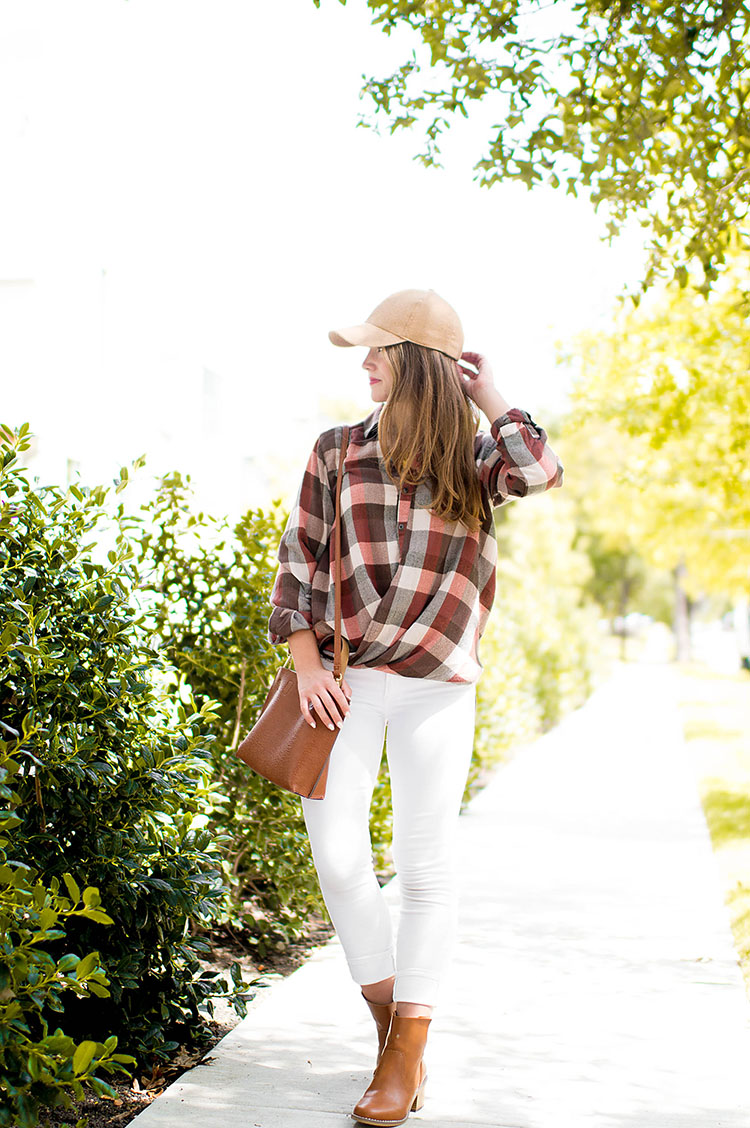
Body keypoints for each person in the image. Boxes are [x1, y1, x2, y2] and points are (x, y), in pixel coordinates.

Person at [267, 288, 564, 1125]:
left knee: (427, 868)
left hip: (437, 687)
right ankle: (393, 1019)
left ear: (415, 364)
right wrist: (304, 666)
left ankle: (401, 1059)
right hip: (346, 681)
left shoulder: (476, 459)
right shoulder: (334, 451)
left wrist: (491, 394)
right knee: (336, 856)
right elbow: (299, 565)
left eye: (376, 350)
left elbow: (540, 469)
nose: (362, 362)